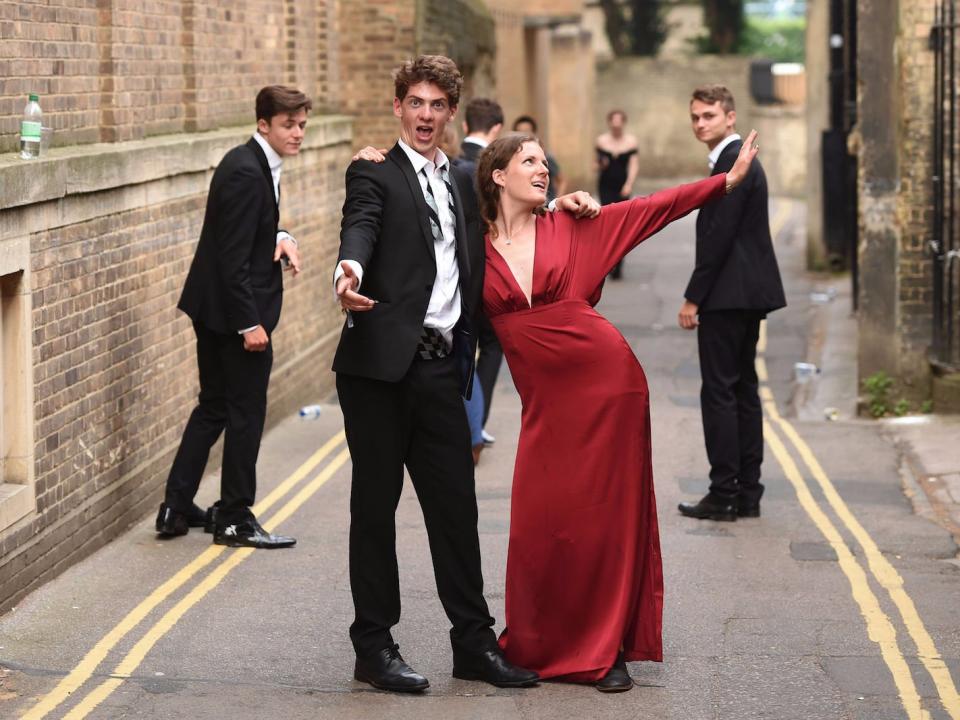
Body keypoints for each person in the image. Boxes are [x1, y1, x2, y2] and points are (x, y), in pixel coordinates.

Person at [332, 55, 596, 694]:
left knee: (455, 511)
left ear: (451, 113)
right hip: (377, 373)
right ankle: (374, 647)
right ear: (398, 108)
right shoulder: (373, 172)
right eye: (414, 103)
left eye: (436, 105)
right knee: (375, 510)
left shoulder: (464, 179)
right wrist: (348, 271)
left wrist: (561, 200)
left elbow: (509, 209)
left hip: (443, 369)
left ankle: (473, 644)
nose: (425, 115)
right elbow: (360, 227)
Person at [476, 130, 759, 691]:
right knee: (544, 521)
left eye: (544, 162)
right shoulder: (472, 241)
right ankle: (540, 640)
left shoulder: (579, 227)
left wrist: (722, 183)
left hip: (608, 389)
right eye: (528, 161)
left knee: (605, 519)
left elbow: (653, 209)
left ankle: (608, 650)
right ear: (497, 175)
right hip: (545, 406)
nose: (542, 169)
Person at [155, 86, 309, 549]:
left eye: (302, 124)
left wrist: (280, 233)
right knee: (245, 413)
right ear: (264, 123)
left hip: (214, 309)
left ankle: (176, 506)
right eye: (288, 125)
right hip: (233, 316)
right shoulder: (246, 171)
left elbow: (249, 226)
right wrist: (250, 324)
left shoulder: (253, 162)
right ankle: (235, 518)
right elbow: (231, 256)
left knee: (215, 406)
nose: (298, 133)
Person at [677, 85, 786, 523]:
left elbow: (718, 236)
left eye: (708, 116)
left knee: (720, 392)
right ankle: (747, 493)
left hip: (726, 295)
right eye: (695, 117)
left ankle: (724, 492)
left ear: (730, 117)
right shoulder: (736, 158)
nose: (700, 123)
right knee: (742, 390)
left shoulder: (733, 161)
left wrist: (693, 297)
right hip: (747, 293)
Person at [457, 98, 506, 446]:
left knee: (462, 350)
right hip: (491, 276)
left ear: (464, 126)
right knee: (491, 347)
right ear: (498, 130)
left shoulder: (449, 163)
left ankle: (466, 424)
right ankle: (476, 424)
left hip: (455, 279)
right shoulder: (496, 168)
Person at [596, 109, 639, 279]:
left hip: (622, 186)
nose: (616, 123)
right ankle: (609, 262)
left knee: (621, 224)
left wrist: (629, 184)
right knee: (607, 222)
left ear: (623, 122)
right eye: (613, 120)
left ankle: (619, 262)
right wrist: (601, 163)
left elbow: (634, 165)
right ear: (609, 122)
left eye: (619, 120)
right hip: (605, 185)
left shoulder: (631, 141)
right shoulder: (601, 141)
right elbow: (595, 164)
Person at [512, 115, 566, 201]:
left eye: (526, 131)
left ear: (533, 133)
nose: (523, 135)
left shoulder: (546, 155)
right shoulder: (512, 157)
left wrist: (556, 201)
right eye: (519, 132)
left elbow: (561, 180)